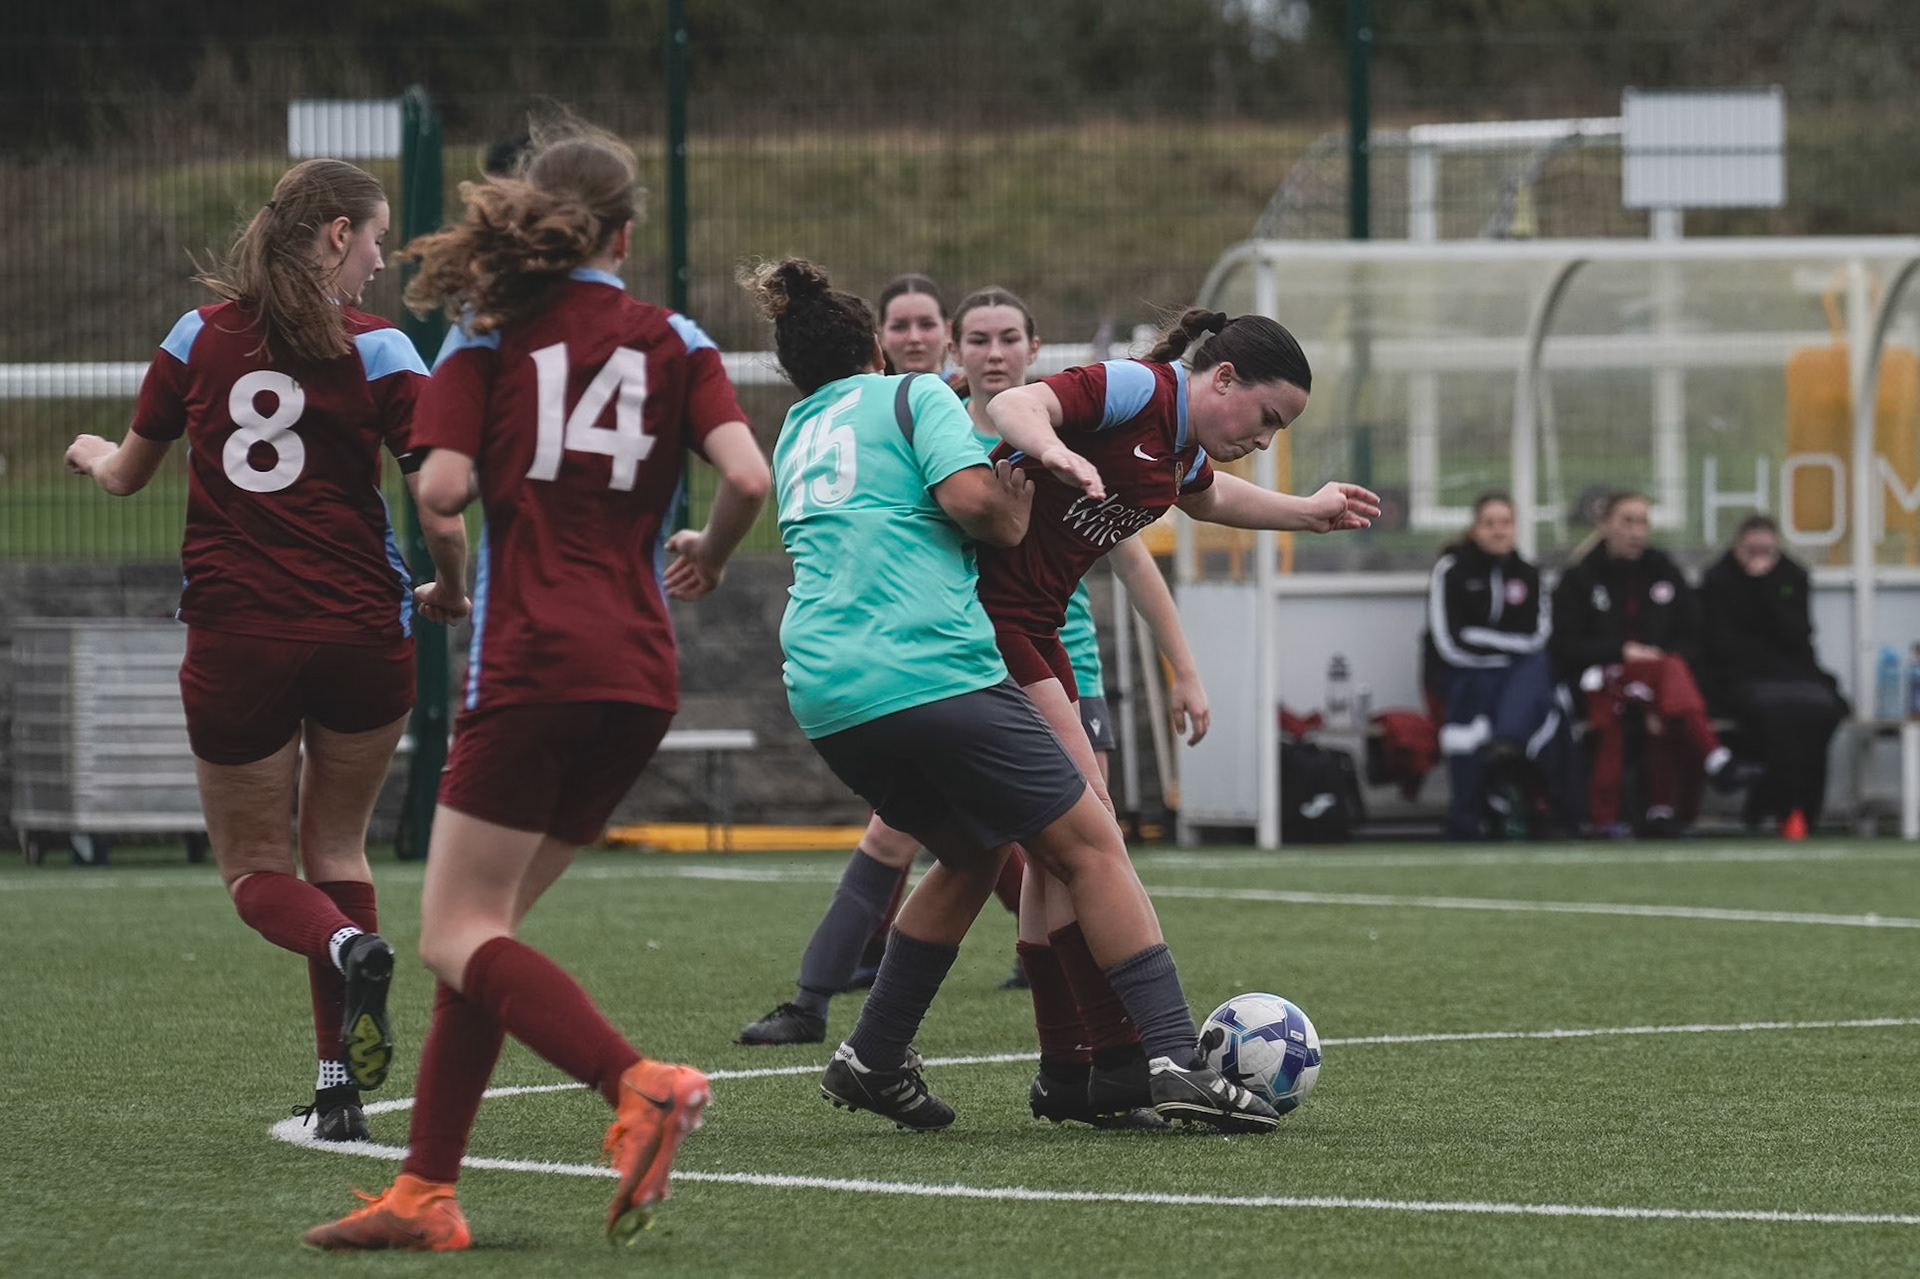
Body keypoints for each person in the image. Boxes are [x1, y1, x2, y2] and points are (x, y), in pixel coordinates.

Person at [303, 121, 770, 1251]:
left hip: (532, 666)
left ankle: (638, 1083)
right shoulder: (678, 338)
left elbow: (442, 489)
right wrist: (710, 553)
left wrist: (453, 559)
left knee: (457, 929)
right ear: (624, 235)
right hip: (640, 675)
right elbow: (750, 477)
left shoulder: (488, 335)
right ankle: (425, 1191)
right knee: (484, 935)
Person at [749, 258, 1281, 1134]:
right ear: (878, 351)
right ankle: (1168, 1057)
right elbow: (978, 506)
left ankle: (875, 1054)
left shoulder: (797, 430)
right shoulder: (915, 395)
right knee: (1092, 845)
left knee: (972, 854)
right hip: (934, 665)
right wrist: (1014, 506)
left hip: (823, 686)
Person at [64, 158, 470, 1145]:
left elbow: (124, 476)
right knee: (338, 848)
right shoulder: (383, 349)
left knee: (256, 871)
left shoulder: (197, 336)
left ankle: (346, 949)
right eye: (375, 239)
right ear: (336, 233)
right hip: (364, 635)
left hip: (238, 635)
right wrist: (451, 591)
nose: (379, 262)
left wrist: (89, 452)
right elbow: (440, 508)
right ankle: (339, 1089)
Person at [976, 305, 1376, 1125]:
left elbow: (1207, 496)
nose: (1263, 439)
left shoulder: (1184, 445)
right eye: (1267, 418)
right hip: (988, 618)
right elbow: (1014, 405)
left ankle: (1070, 1069)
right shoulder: (1138, 388)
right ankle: (1131, 1054)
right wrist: (1053, 449)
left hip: (1036, 626)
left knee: (1059, 851)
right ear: (1223, 377)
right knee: (1087, 831)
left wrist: (1306, 510)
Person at [1550, 491, 1758, 836]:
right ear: (1605, 526)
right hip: (1597, 678)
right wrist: (1622, 651)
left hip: (1655, 684)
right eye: (1627, 522)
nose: (1636, 532)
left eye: (1642, 522)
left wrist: (1656, 663)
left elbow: (1693, 637)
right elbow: (1565, 646)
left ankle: (1656, 813)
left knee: (1667, 687)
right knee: (1665, 682)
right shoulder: (1579, 579)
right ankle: (1714, 762)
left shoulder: (1663, 572)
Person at [1425, 492, 1576, 839]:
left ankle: (1531, 791)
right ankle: (1479, 805)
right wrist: (1506, 651)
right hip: (1463, 673)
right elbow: (1449, 642)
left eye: (1505, 523)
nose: (1498, 531)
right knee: (1523, 687)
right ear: (1475, 528)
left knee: (1547, 694)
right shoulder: (1451, 570)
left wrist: (1479, 636)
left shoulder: (1529, 574)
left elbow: (1538, 637)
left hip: (1516, 676)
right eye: (1489, 523)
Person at [1699, 513, 1847, 837]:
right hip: (1741, 676)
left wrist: (1765, 586)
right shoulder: (1718, 581)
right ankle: (1784, 808)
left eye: (1767, 552)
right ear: (1737, 549)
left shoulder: (1791, 577)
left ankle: (1801, 809)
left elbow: (1798, 634)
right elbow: (1721, 644)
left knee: (1824, 711)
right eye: (1751, 551)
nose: (1759, 560)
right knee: (1776, 716)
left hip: (1794, 674)